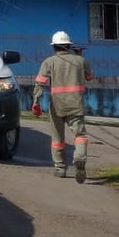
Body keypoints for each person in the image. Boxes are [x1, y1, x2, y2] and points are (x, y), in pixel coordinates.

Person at [33, 30, 94, 183]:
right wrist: (79, 57)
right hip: (76, 105)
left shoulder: (49, 62)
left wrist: (36, 101)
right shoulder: (81, 61)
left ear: (54, 47)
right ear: (69, 46)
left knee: (57, 138)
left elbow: (40, 82)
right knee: (80, 135)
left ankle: (60, 168)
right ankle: (79, 158)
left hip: (57, 106)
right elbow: (90, 77)